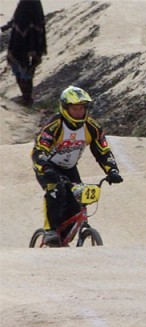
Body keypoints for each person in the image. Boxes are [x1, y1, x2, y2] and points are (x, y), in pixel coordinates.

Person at [31, 86, 123, 246]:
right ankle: (50, 231)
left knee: (76, 200)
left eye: (82, 108)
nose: (79, 112)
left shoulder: (91, 126)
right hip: (48, 166)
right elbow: (38, 151)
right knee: (55, 191)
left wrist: (112, 171)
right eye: (75, 109)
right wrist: (45, 168)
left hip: (69, 168)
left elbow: (103, 151)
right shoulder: (55, 126)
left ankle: (63, 239)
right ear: (65, 108)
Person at [1, 0, 47, 107]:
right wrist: (9, 25)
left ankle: (27, 98)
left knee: (25, 70)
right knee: (20, 68)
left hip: (28, 41)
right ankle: (26, 97)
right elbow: (18, 18)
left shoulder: (32, 3)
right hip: (20, 39)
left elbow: (36, 23)